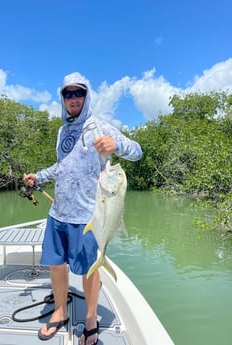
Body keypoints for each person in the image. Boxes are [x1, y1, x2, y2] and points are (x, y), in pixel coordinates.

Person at [23, 72, 142, 345]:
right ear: (62, 98)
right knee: (56, 265)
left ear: (87, 96)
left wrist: (117, 145)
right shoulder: (62, 131)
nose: (73, 98)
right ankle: (61, 311)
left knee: (90, 270)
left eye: (79, 93)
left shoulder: (99, 127)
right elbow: (62, 167)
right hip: (58, 214)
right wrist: (38, 177)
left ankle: (90, 318)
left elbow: (137, 151)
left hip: (89, 216)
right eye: (68, 93)